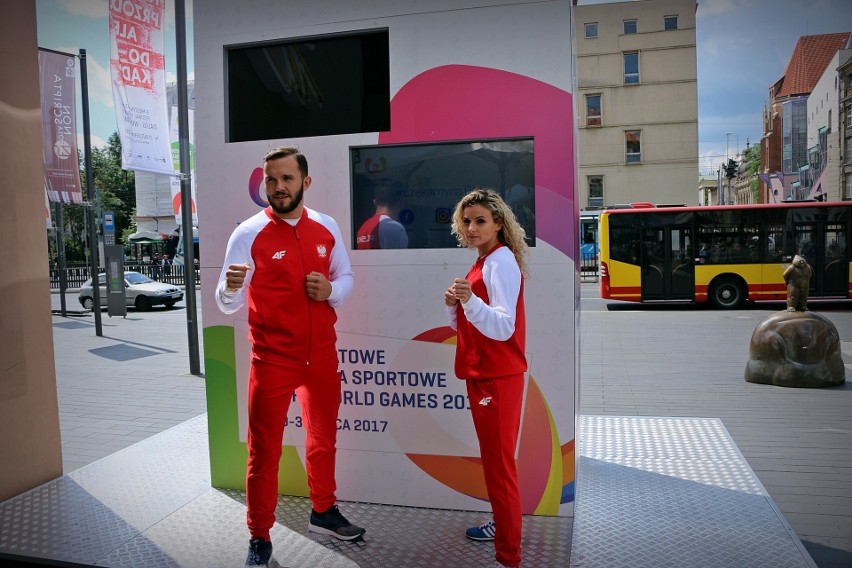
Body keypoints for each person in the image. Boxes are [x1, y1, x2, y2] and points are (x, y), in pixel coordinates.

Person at [214, 146, 364, 568]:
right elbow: (227, 303)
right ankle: (259, 536)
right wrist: (228, 288)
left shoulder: (326, 226)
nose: (278, 187)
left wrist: (331, 291)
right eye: (271, 180)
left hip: (321, 358)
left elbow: (346, 276)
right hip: (272, 360)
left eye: (287, 179)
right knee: (264, 453)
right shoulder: (247, 233)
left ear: (305, 182)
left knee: (323, 441)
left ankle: (323, 512)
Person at [443, 188, 528, 568]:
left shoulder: (500, 260)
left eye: (480, 220)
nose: (472, 227)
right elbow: (472, 325)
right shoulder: (484, 262)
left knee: (499, 468)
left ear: (498, 223)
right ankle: (502, 529)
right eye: (466, 220)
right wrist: (455, 306)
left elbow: (503, 327)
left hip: (496, 378)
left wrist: (469, 301)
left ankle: (508, 557)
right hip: (484, 375)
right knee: (495, 463)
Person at [355, 183, 408, 249]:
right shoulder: (394, 227)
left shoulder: (363, 228)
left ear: (375, 202)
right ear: (401, 203)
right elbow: (396, 258)